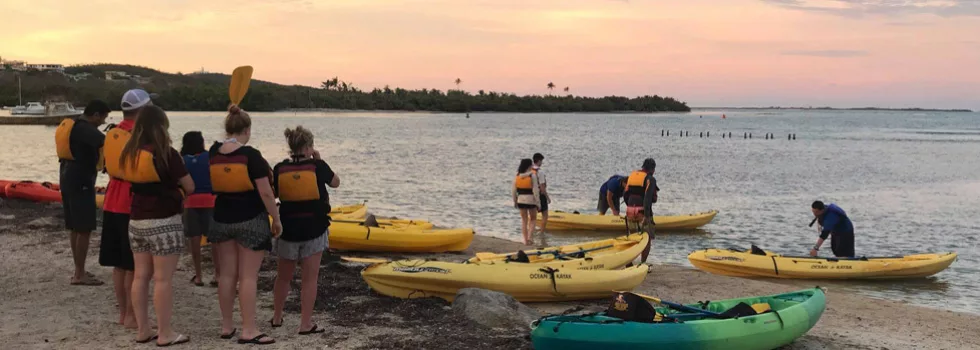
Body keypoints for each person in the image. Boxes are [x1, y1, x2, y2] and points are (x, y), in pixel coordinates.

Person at [118, 105, 194, 346]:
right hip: (164, 222)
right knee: (162, 279)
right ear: (162, 126)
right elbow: (189, 186)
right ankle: (165, 333)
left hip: (136, 220)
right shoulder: (166, 153)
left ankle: (143, 329)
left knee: (140, 275)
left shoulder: (129, 153)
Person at [209, 105, 281, 345]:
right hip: (250, 219)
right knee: (248, 277)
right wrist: (276, 219)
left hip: (221, 219)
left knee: (227, 274)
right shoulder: (251, 155)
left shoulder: (213, 152)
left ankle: (227, 325)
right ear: (247, 129)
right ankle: (249, 329)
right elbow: (266, 193)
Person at [271, 126, 339, 335]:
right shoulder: (318, 166)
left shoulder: (279, 168)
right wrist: (318, 159)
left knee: (283, 276)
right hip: (314, 228)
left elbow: (274, 193)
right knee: (309, 279)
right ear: (309, 146)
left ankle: (276, 317)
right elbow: (336, 182)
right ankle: (305, 324)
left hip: (288, 229)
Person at [99, 89, 152, 328]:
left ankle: (123, 314)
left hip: (112, 201)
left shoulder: (113, 132)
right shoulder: (142, 136)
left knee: (118, 265)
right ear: (143, 110)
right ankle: (131, 315)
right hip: (132, 202)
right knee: (133, 264)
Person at [55, 100, 110, 286]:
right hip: (81, 182)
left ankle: (79, 270)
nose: (102, 122)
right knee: (84, 228)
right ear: (95, 115)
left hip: (67, 177)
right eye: (103, 118)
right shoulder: (86, 129)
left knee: (74, 227)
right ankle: (79, 274)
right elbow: (107, 143)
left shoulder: (75, 125)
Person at [180, 131, 217, 287]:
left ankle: (199, 275)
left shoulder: (182, 160)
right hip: (210, 201)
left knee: (194, 240)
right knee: (214, 240)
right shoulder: (209, 158)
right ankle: (217, 275)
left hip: (190, 202)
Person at [624, 158, 659, 263]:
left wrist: (630, 207)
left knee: (632, 239)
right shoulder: (650, 179)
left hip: (630, 210)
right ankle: (643, 263)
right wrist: (646, 216)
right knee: (646, 239)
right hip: (642, 212)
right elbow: (648, 198)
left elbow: (625, 194)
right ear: (652, 169)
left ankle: (628, 263)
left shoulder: (632, 176)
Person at [512, 158, 540, 245]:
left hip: (521, 199)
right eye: (531, 165)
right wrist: (538, 203)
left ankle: (525, 240)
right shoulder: (533, 176)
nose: (532, 166)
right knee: (533, 219)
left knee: (524, 220)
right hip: (531, 200)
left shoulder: (517, 176)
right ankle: (530, 238)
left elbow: (513, 190)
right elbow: (535, 190)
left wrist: (515, 201)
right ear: (529, 166)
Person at [532, 153, 551, 234]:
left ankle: (531, 232)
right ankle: (542, 233)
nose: (542, 163)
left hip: (531, 194)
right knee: (545, 215)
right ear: (539, 161)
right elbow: (542, 187)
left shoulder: (529, 170)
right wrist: (547, 197)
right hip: (540, 195)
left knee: (533, 215)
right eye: (541, 161)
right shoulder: (540, 172)